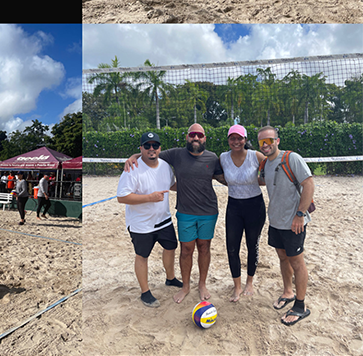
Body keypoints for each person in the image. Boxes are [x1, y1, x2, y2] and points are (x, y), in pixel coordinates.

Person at [125, 124, 224, 304]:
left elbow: (224, 177)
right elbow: (150, 154)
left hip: (209, 211)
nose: (196, 138)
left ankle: (202, 284)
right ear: (187, 137)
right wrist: (133, 156)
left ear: (204, 138)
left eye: (199, 135)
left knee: (204, 247)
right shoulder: (176, 154)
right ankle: (185, 286)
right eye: (192, 134)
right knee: (186, 249)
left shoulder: (213, 157)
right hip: (185, 212)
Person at [116, 131, 182, 308]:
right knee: (142, 256)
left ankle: (170, 278)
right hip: (141, 224)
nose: (151, 149)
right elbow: (121, 197)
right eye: (147, 145)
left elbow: (170, 185)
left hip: (163, 219)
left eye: (155, 145)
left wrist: (191, 187)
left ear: (160, 148)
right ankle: (145, 292)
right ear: (141, 148)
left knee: (171, 247)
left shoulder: (165, 166)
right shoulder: (132, 169)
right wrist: (149, 198)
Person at [257, 126, 314, 326]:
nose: (266, 145)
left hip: (294, 222)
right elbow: (263, 182)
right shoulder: (266, 164)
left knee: (297, 262)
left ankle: (300, 306)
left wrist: (299, 215)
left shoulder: (292, 158)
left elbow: (309, 184)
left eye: (270, 140)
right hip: (276, 221)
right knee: (283, 258)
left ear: (277, 141)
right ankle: (288, 292)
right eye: (262, 142)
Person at [219, 124, 266, 301]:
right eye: (233, 138)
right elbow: (215, 174)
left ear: (245, 140)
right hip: (234, 207)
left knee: (252, 245)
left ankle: (249, 282)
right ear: (229, 140)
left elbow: (273, 167)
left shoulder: (256, 156)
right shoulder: (223, 158)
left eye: (240, 138)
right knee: (232, 247)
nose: (236, 141)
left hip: (255, 206)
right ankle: (237, 286)